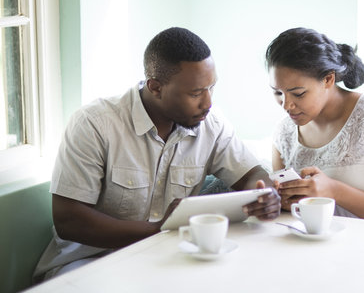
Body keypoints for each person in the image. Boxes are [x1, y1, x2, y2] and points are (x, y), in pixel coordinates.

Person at [34, 27, 280, 281]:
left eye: (211, 88)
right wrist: (160, 228)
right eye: (195, 93)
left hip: (167, 258)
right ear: (155, 87)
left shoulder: (211, 123)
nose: (207, 103)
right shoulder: (94, 123)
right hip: (88, 261)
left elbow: (252, 173)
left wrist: (265, 194)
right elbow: (69, 220)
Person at [265, 27, 364, 225]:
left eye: (298, 94)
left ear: (328, 79)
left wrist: (334, 191)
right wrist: (281, 202)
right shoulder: (283, 134)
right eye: (277, 93)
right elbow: (291, 214)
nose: (286, 105)